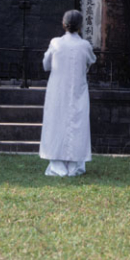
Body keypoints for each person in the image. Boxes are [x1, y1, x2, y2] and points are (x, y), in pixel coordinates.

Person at [39, 10, 96, 177]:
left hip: (58, 91)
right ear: (80, 27)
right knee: (77, 125)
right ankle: (74, 165)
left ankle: (57, 165)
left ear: (63, 25)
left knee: (56, 124)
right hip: (78, 90)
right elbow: (90, 61)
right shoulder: (84, 45)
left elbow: (46, 65)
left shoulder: (56, 43)